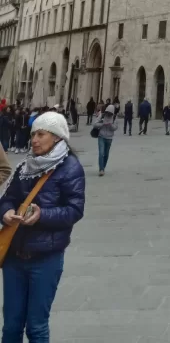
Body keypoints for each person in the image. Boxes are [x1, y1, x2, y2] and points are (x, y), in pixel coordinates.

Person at [0, 111, 85, 343]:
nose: (34, 140)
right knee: (10, 327)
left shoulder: (70, 168)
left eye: (40, 134)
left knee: (36, 327)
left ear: (56, 137)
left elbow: (75, 210)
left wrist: (43, 215)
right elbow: (8, 197)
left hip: (45, 257)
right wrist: (5, 212)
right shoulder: (25, 166)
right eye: (33, 134)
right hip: (15, 257)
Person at [94, 103, 117, 176]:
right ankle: (101, 169)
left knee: (106, 154)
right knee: (101, 153)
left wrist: (110, 126)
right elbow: (95, 124)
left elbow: (115, 127)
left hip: (109, 138)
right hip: (101, 136)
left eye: (110, 113)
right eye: (108, 112)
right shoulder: (102, 115)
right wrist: (102, 124)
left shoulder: (114, 117)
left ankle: (103, 167)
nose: (109, 114)